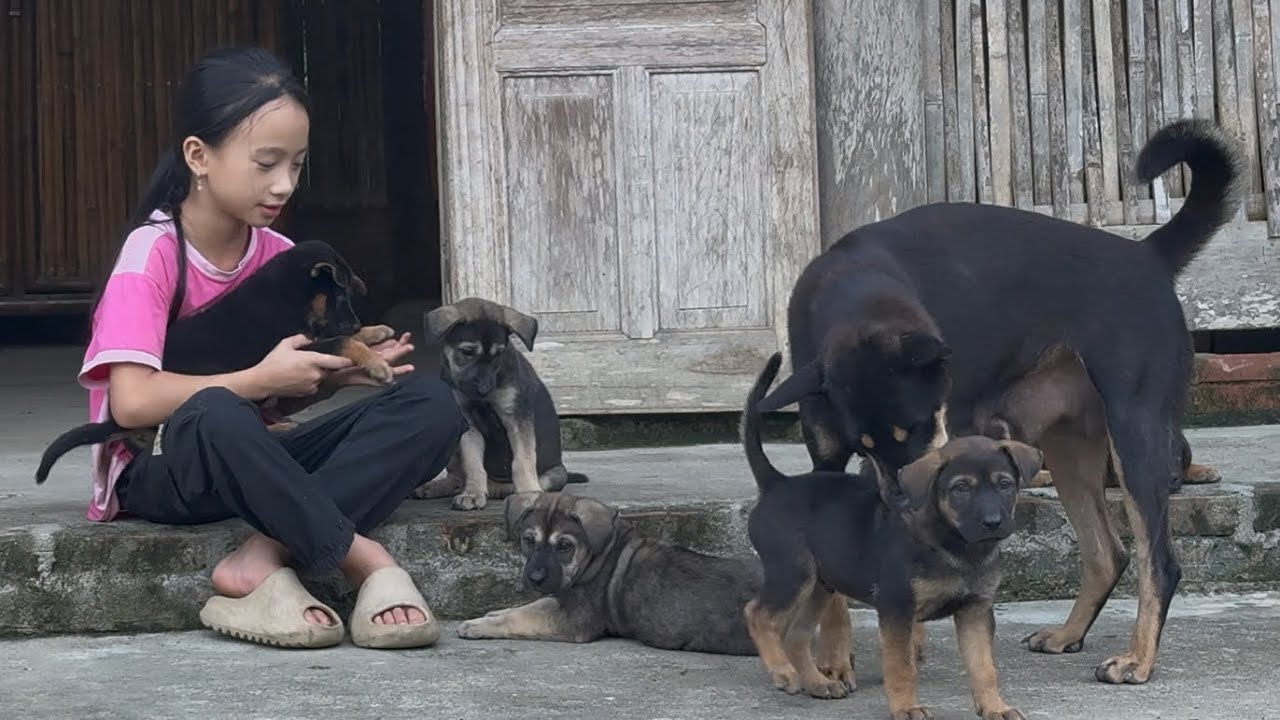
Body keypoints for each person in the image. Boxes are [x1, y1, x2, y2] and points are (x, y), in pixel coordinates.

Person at [76, 45, 466, 650]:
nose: (283, 183)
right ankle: (364, 560)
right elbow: (130, 404)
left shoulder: (280, 256)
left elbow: (273, 403)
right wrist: (260, 380)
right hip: (165, 472)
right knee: (218, 408)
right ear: (199, 157)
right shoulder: (152, 255)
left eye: (296, 164)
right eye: (265, 163)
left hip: (253, 456)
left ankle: (264, 552)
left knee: (433, 404)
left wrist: (328, 376)